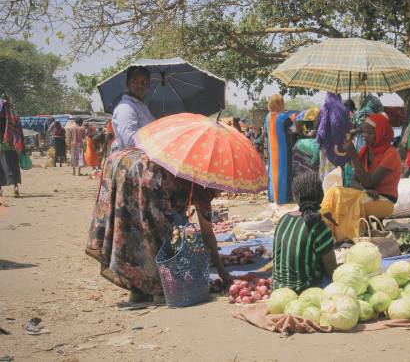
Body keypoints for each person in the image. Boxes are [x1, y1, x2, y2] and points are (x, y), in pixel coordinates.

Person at [86, 148, 230, 304]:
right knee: (158, 233)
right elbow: (207, 234)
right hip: (147, 173)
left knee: (129, 224)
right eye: (222, 190)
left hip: (123, 161)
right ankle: (159, 290)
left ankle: (138, 290)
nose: (221, 194)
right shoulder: (204, 188)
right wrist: (223, 272)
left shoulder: (193, 165)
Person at [272, 172, 337, 293]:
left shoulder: (283, 220)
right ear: (321, 195)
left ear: (296, 197)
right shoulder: (319, 226)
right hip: (304, 290)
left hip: (278, 289)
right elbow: (332, 271)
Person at [342, 113, 402, 219]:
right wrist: (364, 190)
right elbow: (353, 181)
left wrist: (354, 155)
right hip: (368, 195)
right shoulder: (365, 151)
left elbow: (370, 183)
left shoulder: (391, 154)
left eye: (369, 133)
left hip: (385, 200)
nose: (365, 136)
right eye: (364, 132)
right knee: (335, 194)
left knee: (345, 204)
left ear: (381, 134)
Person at [111, 66, 155, 151]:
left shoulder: (142, 106)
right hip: (133, 160)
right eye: (135, 81)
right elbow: (130, 142)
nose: (140, 85)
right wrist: (156, 137)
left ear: (148, 86)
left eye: (144, 82)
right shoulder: (125, 108)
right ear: (128, 84)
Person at [264, 94, 294, 204]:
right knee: (284, 172)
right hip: (283, 150)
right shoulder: (283, 117)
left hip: (272, 151)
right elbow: (293, 128)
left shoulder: (267, 117)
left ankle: (273, 196)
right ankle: (284, 196)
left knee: (273, 172)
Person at [316, 93, 350, 182]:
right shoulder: (344, 109)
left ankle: (327, 194)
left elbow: (322, 129)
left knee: (327, 176)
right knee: (338, 174)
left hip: (327, 147)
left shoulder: (325, 107)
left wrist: (320, 140)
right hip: (340, 146)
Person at [0, 98, 25, 198]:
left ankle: (0, 190)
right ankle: (15, 187)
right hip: (12, 145)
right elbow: (19, 131)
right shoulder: (13, 116)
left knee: (1, 168)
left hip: (1, 146)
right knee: (13, 167)